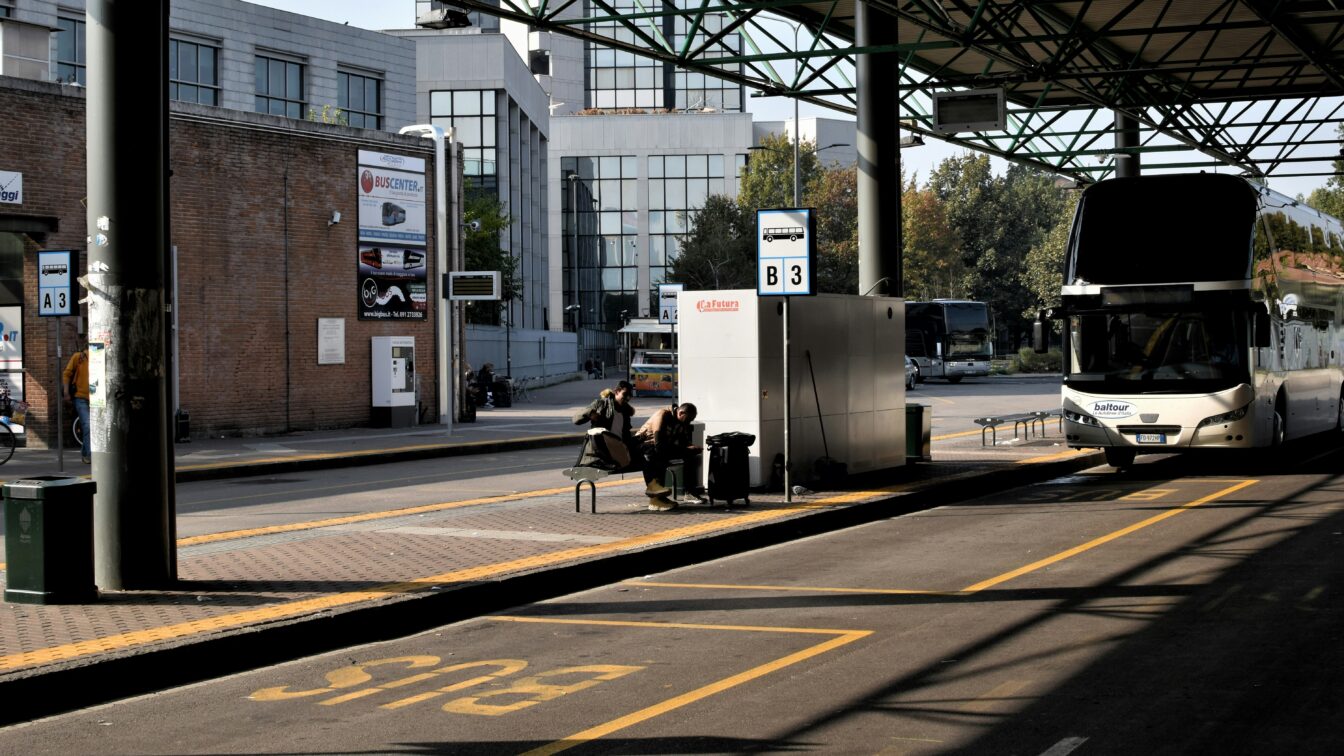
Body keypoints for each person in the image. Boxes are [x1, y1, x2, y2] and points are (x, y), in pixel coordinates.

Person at [632, 402, 700, 511]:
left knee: (690, 456)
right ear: (681, 413)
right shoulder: (663, 415)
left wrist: (690, 448)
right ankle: (654, 491)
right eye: (688, 419)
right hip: (644, 447)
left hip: (661, 449)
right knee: (658, 455)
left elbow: (683, 441)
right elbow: (659, 443)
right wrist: (684, 449)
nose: (689, 422)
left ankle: (689, 492)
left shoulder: (681, 422)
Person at [573, 380, 636, 467]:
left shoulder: (625, 413)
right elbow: (576, 419)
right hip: (601, 453)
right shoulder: (601, 404)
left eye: (630, 396)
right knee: (598, 431)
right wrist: (590, 413)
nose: (628, 398)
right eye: (625, 394)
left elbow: (626, 436)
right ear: (617, 391)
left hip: (618, 450)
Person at [63, 346, 91, 464]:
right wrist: (66, 392)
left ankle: (85, 452)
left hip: (97, 399)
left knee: (90, 427)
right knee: (88, 425)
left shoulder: (101, 356)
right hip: (81, 397)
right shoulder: (78, 357)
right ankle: (89, 455)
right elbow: (67, 374)